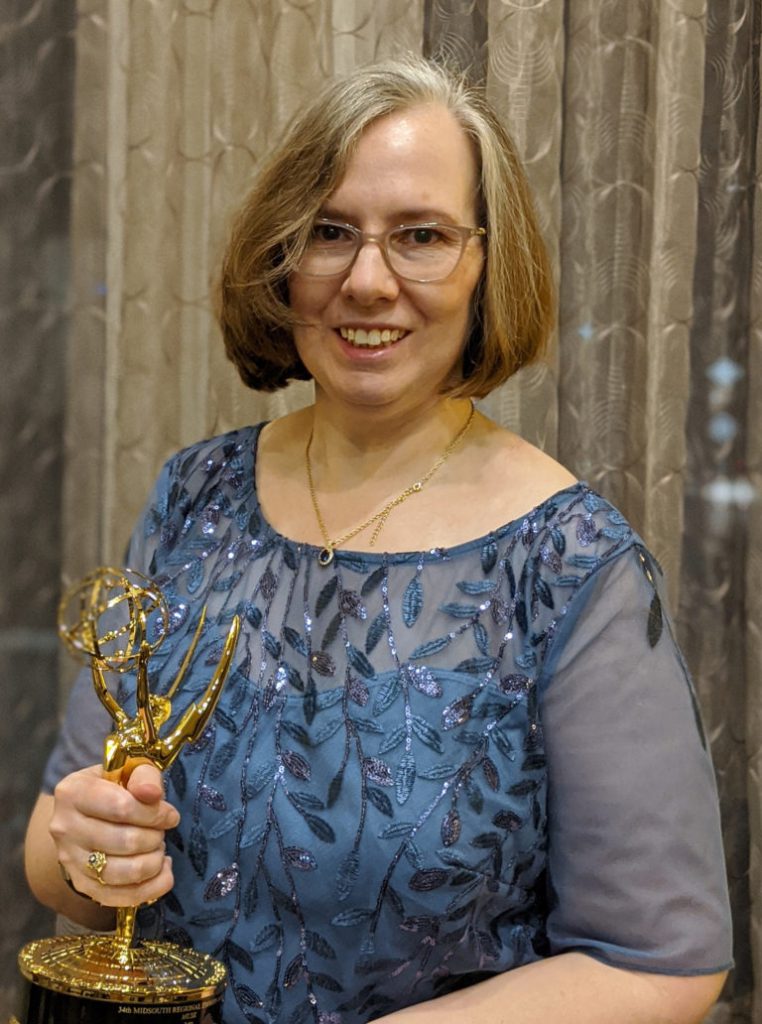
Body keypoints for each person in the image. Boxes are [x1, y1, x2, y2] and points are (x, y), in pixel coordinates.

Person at [25, 56, 732, 1023]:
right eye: (329, 232)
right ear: (282, 254)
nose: (368, 280)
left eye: (422, 237)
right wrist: (88, 848)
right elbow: (58, 857)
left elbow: (660, 961)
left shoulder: (570, 566)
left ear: (490, 263)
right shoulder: (196, 495)